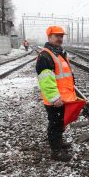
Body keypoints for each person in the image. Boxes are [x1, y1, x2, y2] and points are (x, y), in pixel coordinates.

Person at [36, 26, 77, 162]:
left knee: (60, 123)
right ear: (49, 37)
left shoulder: (59, 53)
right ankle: (56, 152)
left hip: (63, 98)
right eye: (57, 36)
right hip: (55, 99)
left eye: (61, 36)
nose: (60, 38)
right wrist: (54, 98)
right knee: (55, 124)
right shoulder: (46, 55)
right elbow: (46, 81)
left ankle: (59, 143)